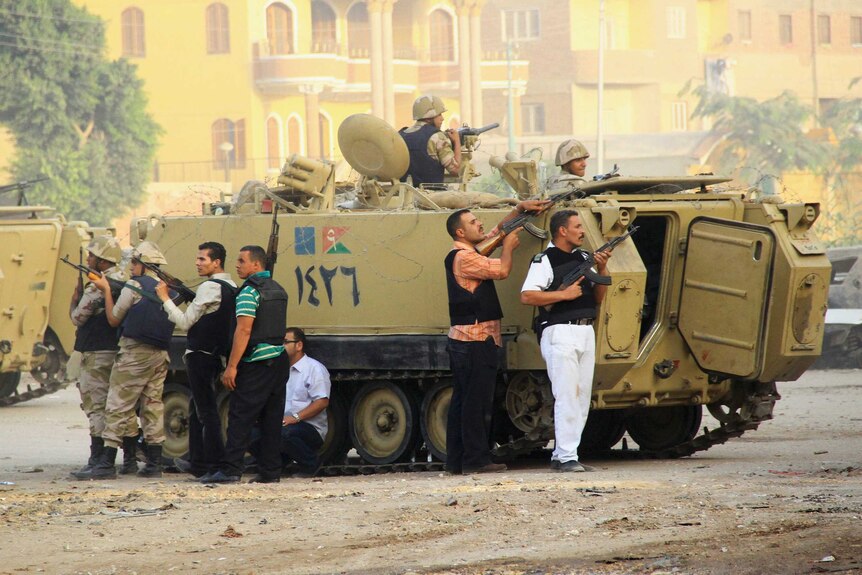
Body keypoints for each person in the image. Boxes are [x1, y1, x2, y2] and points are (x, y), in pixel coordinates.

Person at [443, 199, 547, 475]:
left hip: (469, 341)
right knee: (475, 404)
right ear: (460, 233)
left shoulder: (469, 251)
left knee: (464, 403)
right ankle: (476, 460)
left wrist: (519, 211)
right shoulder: (465, 257)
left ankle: (457, 460)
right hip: (475, 341)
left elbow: (495, 233)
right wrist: (510, 248)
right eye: (472, 221)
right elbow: (501, 270)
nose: (479, 223)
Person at [75, 241, 177, 480]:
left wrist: (107, 291)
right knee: (152, 406)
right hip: (159, 354)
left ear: (143, 265)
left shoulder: (134, 285)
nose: (131, 266)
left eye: (134, 262)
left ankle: (106, 463)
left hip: (133, 354)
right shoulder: (167, 288)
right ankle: (154, 463)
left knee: (117, 405)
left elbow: (113, 318)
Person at [520, 209, 611, 472]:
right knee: (567, 395)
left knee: (581, 397)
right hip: (560, 331)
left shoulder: (583, 257)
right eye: (577, 227)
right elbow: (528, 296)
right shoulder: (544, 260)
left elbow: (598, 297)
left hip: (584, 331)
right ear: (562, 231)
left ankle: (566, 454)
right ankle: (566, 456)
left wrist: (602, 267)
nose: (582, 231)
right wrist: (563, 295)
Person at [200, 245, 289, 484]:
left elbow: (244, 329)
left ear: (256, 265)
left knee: (240, 417)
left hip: (256, 361)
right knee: (272, 418)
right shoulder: (278, 289)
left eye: (241, 261)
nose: (237, 265)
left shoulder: (249, 292)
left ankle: (230, 470)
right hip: (279, 359)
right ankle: (270, 472)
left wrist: (232, 366)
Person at [155, 241, 236, 478]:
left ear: (216, 262)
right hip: (212, 355)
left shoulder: (211, 287)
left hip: (201, 356)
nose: (197, 263)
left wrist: (164, 297)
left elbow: (184, 322)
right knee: (197, 409)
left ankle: (214, 465)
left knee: (207, 412)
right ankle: (198, 462)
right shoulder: (229, 286)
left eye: (203, 259)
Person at [68, 235, 125, 477]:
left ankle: (99, 461)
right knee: (113, 405)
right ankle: (126, 459)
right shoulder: (125, 280)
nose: (89, 258)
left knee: (96, 405)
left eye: (92, 255)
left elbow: (77, 318)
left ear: (102, 262)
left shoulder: (97, 287)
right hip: (115, 350)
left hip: (95, 352)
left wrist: (74, 299)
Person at [251, 327, 330, 478]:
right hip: (282, 422)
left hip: (308, 427)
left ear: (299, 345)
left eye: (285, 342)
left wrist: (295, 418)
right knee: (250, 434)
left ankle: (311, 465)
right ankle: (277, 464)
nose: (281, 346)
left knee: (284, 434)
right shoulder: (277, 369)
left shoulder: (314, 369)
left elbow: (322, 402)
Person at [399, 94, 460, 188]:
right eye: (439, 114)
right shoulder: (437, 137)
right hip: (431, 198)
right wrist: (457, 141)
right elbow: (455, 170)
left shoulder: (401, 135)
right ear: (428, 117)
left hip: (405, 196)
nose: (442, 118)